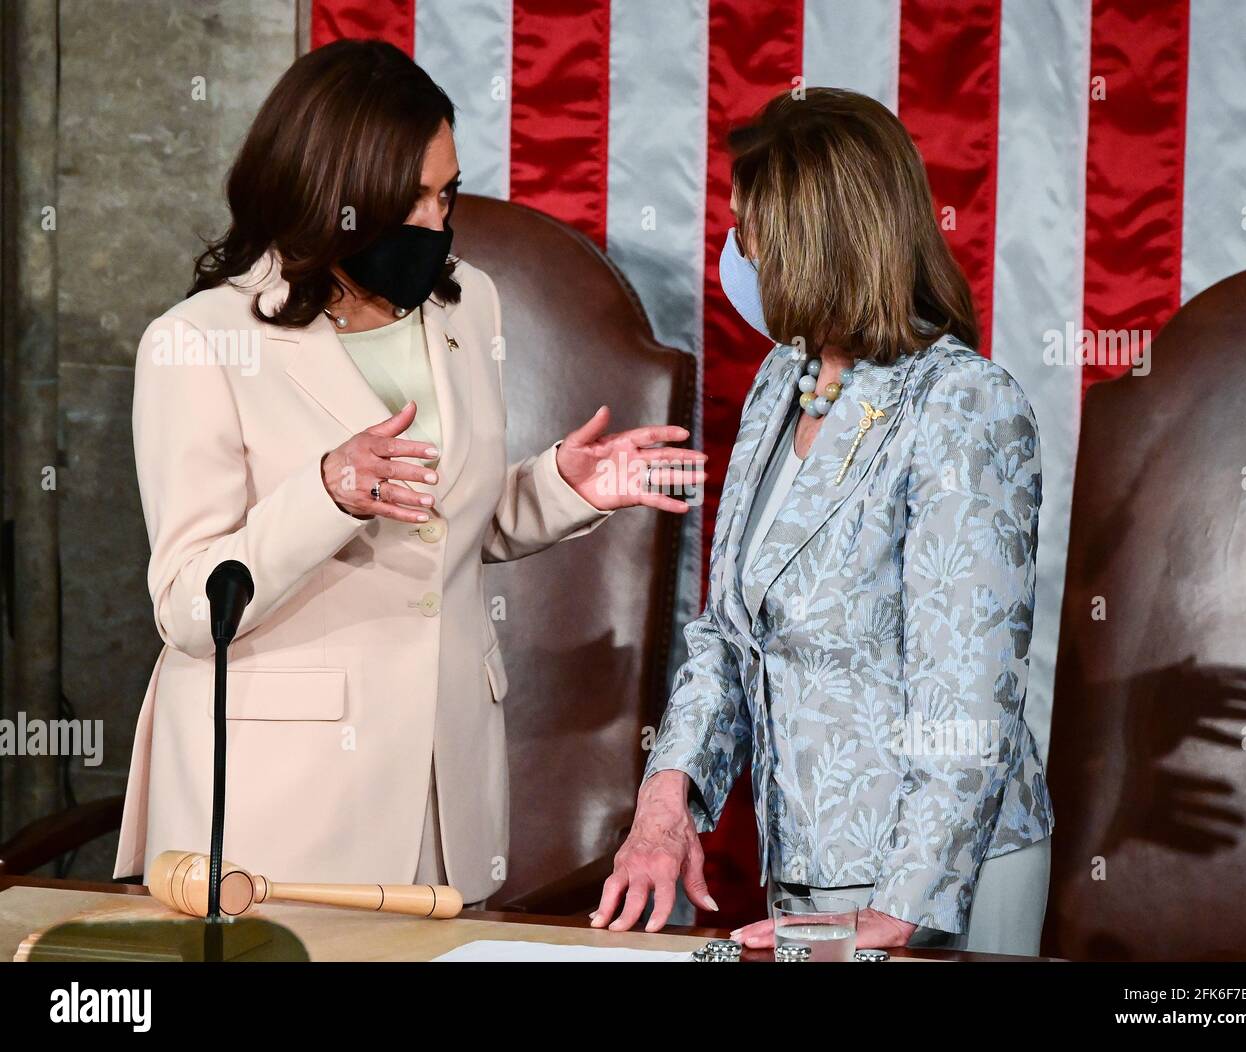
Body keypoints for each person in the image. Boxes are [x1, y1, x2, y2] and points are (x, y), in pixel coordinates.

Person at [113, 40, 704, 907]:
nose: (436, 222)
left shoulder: (468, 302)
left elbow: (442, 524)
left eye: (447, 193)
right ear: (333, 195)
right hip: (278, 809)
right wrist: (325, 492)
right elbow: (190, 607)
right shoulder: (198, 343)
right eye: (411, 200)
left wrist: (562, 489)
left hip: (447, 789)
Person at [592, 88, 1053, 955]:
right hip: (806, 866)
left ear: (808, 240)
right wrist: (667, 802)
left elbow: (970, 696)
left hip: (935, 884)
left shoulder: (963, 404)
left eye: (748, 228)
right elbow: (729, 631)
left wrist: (899, 910)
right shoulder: (783, 381)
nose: (736, 251)